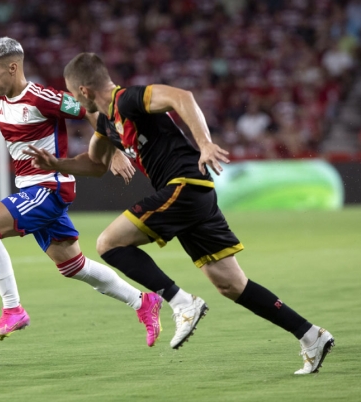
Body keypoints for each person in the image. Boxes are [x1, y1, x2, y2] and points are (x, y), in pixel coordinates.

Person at [23, 52, 334, 374]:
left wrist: (205, 144)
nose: (75, 101)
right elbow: (95, 163)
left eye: (74, 94)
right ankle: (311, 335)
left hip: (185, 184)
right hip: (192, 197)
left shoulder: (128, 99)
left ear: (84, 91)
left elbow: (180, 97)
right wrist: (57, 164)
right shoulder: (105, 122)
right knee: (230, 284)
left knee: (109, 244)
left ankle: (181, 301)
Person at [0, 37, 178, 347]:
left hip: (50, 186)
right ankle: (143, 302)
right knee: (73, 266)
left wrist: (113, 149)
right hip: (30, 188)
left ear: (13, 67)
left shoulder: (41, 98)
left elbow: (91, 110)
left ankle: (13, 309)